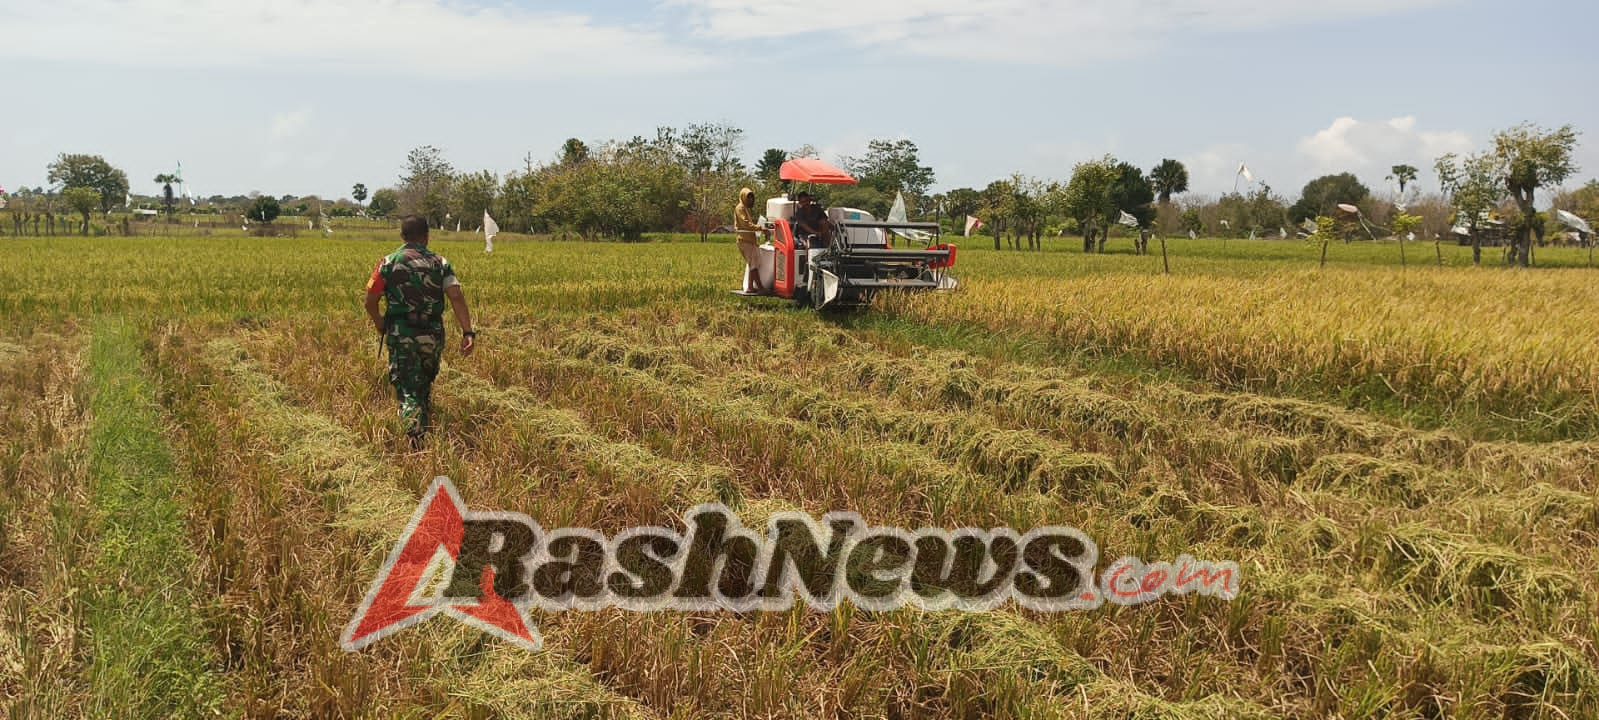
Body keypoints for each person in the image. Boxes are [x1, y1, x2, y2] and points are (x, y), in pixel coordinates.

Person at [363, 215, 476, 446]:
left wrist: (379, 322)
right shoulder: (440, 263)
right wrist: (468, 332)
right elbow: (456, 296)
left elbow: (370, 300)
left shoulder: (388, 262)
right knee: (423, 382)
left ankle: (415, 440)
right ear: (427, 235)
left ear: (403, 236)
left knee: (408, 389)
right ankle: (421, 427)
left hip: (401, 332)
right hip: (432, 333)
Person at [734, 187, 766, 292]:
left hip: (750, 240)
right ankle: (759, 287)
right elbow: (746, 224)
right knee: (753, 264)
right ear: (743, 197)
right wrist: (760, 228)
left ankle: (750, 287)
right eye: (748, 198)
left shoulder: (745, 209)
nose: (751, 200)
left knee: (753, 263)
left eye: (752, 198)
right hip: (744, 240)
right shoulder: (740, 208)